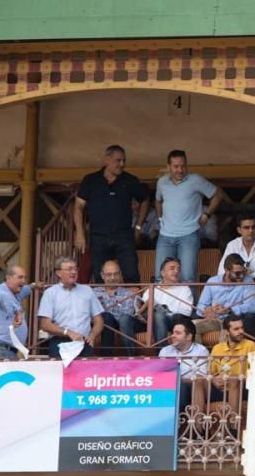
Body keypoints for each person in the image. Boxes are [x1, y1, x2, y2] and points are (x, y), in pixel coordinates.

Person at [74, 145, 148, 284]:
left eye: (124, 161)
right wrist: (80, 233)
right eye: (118, 160)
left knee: (131, 275)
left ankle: (134, 306)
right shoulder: (91, 180)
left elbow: (144, 200)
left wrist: (138, 227)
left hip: (124, 235)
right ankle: (103, 306)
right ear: (106, 160)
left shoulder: (130, 180)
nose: (122, 164)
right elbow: (78, 206)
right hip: (98, 236)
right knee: (100, 276)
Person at [154, 150, 223, 285]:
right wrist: (160, 218)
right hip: (165, 235)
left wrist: (206, 214)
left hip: (189, 235)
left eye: (183, 166)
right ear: (168, 167)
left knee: (187, 277)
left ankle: (187, 307)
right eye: (176, 166)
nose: (180, 170)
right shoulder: (162, 182)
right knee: (159, 276)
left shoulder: (195, 180)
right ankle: (159, 306)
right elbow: (158, 201)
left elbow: (218, 195)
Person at [37, 256, 105, 359]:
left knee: (84, 374)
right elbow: (45, 324)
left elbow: (99, 320)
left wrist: (93, 335)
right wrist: (67, 332)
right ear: (58, 273)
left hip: (84, 342)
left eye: (75, 269)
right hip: (60, 342)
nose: (73, 272)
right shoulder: (50, 293)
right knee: (60, 375)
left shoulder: (87, 291)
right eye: (69, 269)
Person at [195, 253, 255, 339]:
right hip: (215, 320)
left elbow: (252, 306)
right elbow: (200, 306)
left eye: (243, 272)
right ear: (226, 270)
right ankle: (199, 352)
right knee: (190, 327)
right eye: (237, 273)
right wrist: (208, 310)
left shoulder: (247, 281)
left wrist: (229, 310)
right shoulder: (212, 281)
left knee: (227, 334)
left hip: (235, 321)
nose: (241, 276)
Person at [93, 260, 145, 356]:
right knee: (106, 317)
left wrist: (105, 312)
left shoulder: (128, 293)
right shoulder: (94, 292)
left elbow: (128, 314)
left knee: (122, 319)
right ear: (102, 275)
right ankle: (106, 357)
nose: (112, 278)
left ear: (120, 274)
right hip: (102, 324)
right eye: (109, 275)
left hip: (124, 324)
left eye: (115, 274)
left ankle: (131, 357)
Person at [207, 316, 255, 410]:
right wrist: (214, 380)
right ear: (226, 332)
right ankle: (196, 423)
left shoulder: (250, 345)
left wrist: (235, 379)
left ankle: (233, 422)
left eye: (242, 328)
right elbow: (211, 372)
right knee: (198, 381)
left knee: (234, 378)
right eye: (236, 329)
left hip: (242, 388)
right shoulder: (217, 348)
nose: (241, 332)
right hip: (222, 388)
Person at [0, 265, 33, 359]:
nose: (23, 281)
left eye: (25, 278)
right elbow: (6, 299)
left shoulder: (16, 293)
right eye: (20, 277)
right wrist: (17, 311)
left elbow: (26, 289)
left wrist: (35, 285)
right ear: (8, 278)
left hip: (3, 350)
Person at [159, 318, 210, 413]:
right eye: (173, 333)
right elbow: (160, 374)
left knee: (181, 386)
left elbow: (200, 376)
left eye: (177, 333)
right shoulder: (165, 351)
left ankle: (185, 422)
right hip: (168, 386)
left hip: (192, 388)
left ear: (189, 336)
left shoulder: (201, 350)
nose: (173, 336)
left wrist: (177, 379)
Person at [140, 257, 195, 345]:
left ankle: (161, 354)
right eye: (172, 268)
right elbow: (142, 307)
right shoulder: (152, 288)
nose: (176, 271)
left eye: (178, 269)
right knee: (125, 319)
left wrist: (166, 311)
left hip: (172, 321)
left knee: (159, 316)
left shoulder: (184, 289)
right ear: (162, 273)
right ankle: (128, 355)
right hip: (148, 321)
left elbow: (187, 311)